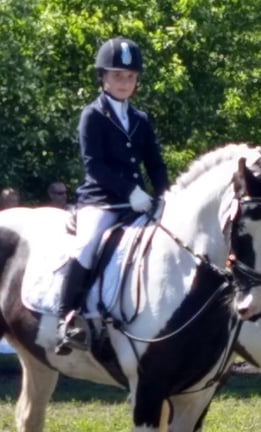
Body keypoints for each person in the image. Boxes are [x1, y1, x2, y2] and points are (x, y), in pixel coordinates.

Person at [55, 37, 168, 355]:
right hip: (102, 201)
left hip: (138, 203)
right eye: (118, 75)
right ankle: (68, 317)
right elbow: (95, 166)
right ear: (103, 77)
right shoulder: (92, 115)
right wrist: (130, 191)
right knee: (88, 246)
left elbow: (156, 164)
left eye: (130, 77)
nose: (124, 82)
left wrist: (164, 196)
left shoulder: (140, 120)